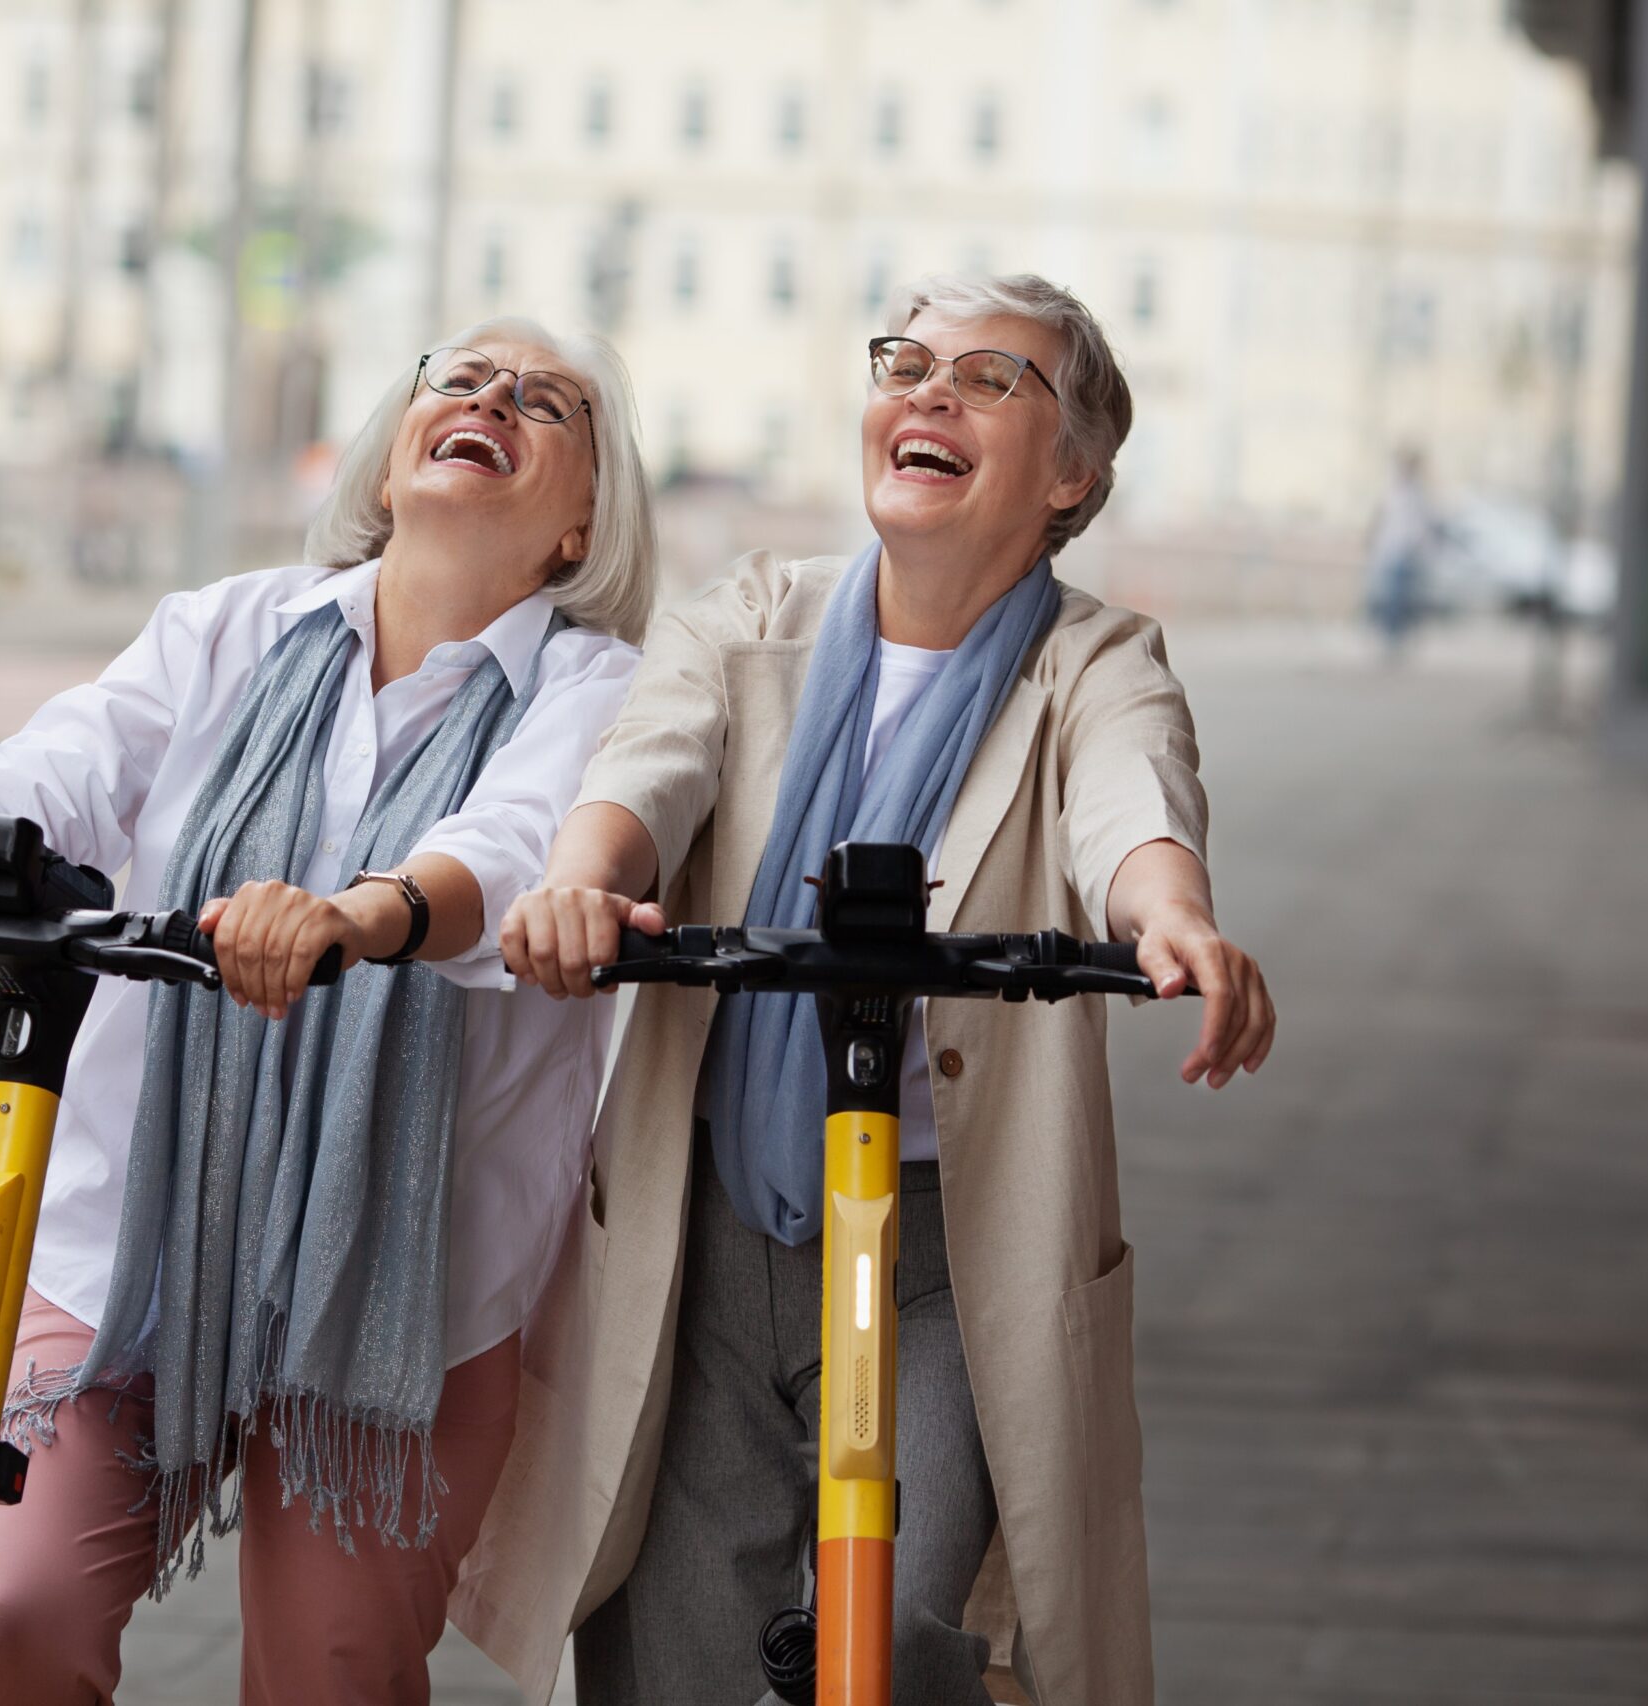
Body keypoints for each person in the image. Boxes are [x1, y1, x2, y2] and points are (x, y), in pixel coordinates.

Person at [0, 319, 655, 1706]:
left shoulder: (600, 689)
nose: (490, 397)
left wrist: (357, 915)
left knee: (332, 1676)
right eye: (458, 378)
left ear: (581, 527)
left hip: (405, 1295)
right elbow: (48, 776)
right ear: (388, 462)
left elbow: (518, 843)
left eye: (546, 402)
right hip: (131, 1244)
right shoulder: (227, 629)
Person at [462, 275, 1277, 1706]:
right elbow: (647, 771)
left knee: (891, 1639)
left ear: (1073, 472)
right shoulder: (750, 614)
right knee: (672, 1652)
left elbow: (1129, 791)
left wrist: (1175, 916)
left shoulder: (1092, 658)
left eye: (989, 377)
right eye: (906, 362)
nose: (929, 391)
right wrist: (584, 881)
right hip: (711, 1227)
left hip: (950, 1255)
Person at [1366, 446, 1441, 661]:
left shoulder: (1418, 492)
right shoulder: (1395, 489)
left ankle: (1398, 639)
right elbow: (1382, 517)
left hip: (1409, 552)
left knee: (1405, 599)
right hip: (1394, 551)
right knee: (1394, 598)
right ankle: (1391, 639)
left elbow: (1424, 523)